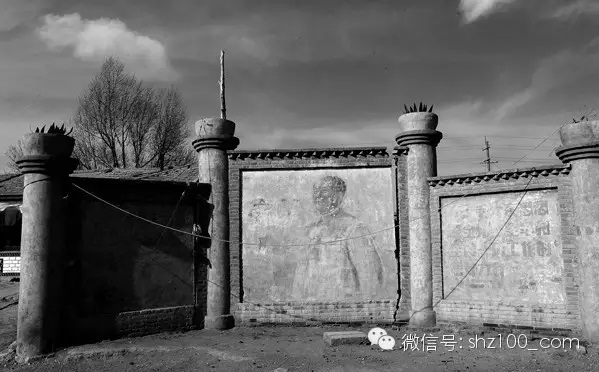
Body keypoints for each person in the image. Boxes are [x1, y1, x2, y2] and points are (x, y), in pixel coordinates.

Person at [291, 175, 384, 302]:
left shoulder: (354, 228)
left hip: (344, 309)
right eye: (315, 191)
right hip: (311, 308)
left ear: (336, 197)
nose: (317, 196)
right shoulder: (310, 231)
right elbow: (300, 277)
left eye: (323, 191)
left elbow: (370, 276)